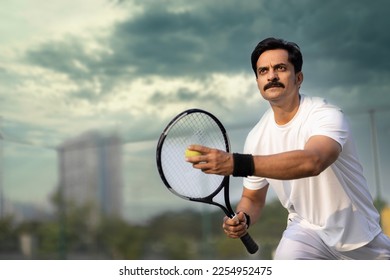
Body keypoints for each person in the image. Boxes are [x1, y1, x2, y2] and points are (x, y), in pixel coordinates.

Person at [186, 37, 390, 259]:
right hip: (306, 231)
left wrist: (235, 163)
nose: (271, 76)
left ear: (298, 78)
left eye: (280, 68)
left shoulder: (326, 114)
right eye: (263, 71)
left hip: (360, 238)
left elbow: (313, 161)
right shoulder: (257, 137)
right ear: (258, 82)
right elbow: (253, 198)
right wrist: (244, 216)